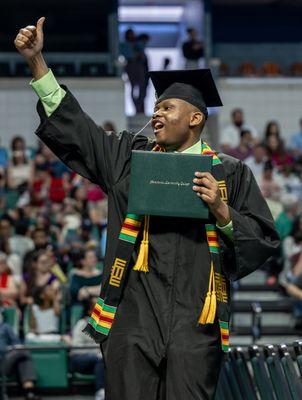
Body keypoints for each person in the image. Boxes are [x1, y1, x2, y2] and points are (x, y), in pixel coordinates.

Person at [15, 18, 279, 400]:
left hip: (195, 321)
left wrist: (223, 212)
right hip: (133, 315)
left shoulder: (231, 174)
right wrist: (37, 63)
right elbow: (78, 130)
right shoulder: (127, 157)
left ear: (195, 118)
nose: (155, 114)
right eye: (155, 107)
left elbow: (263, 240)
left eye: (167, 107)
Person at [0, 308, 41, 400]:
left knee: (23, 353)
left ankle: (29, 391)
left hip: (5, 361)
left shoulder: (5, 327)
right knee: (23, 354)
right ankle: (28, 391)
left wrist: (10, 349)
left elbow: (17, 343)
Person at [69, 299, 105, 400]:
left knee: (101, 361)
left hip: (97, 360)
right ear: (90, 311)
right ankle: (100, 392)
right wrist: (96, 353)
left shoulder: (104, 325)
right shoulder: (82, 323)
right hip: (78, 359)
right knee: (100, 359)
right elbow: (76, 347)